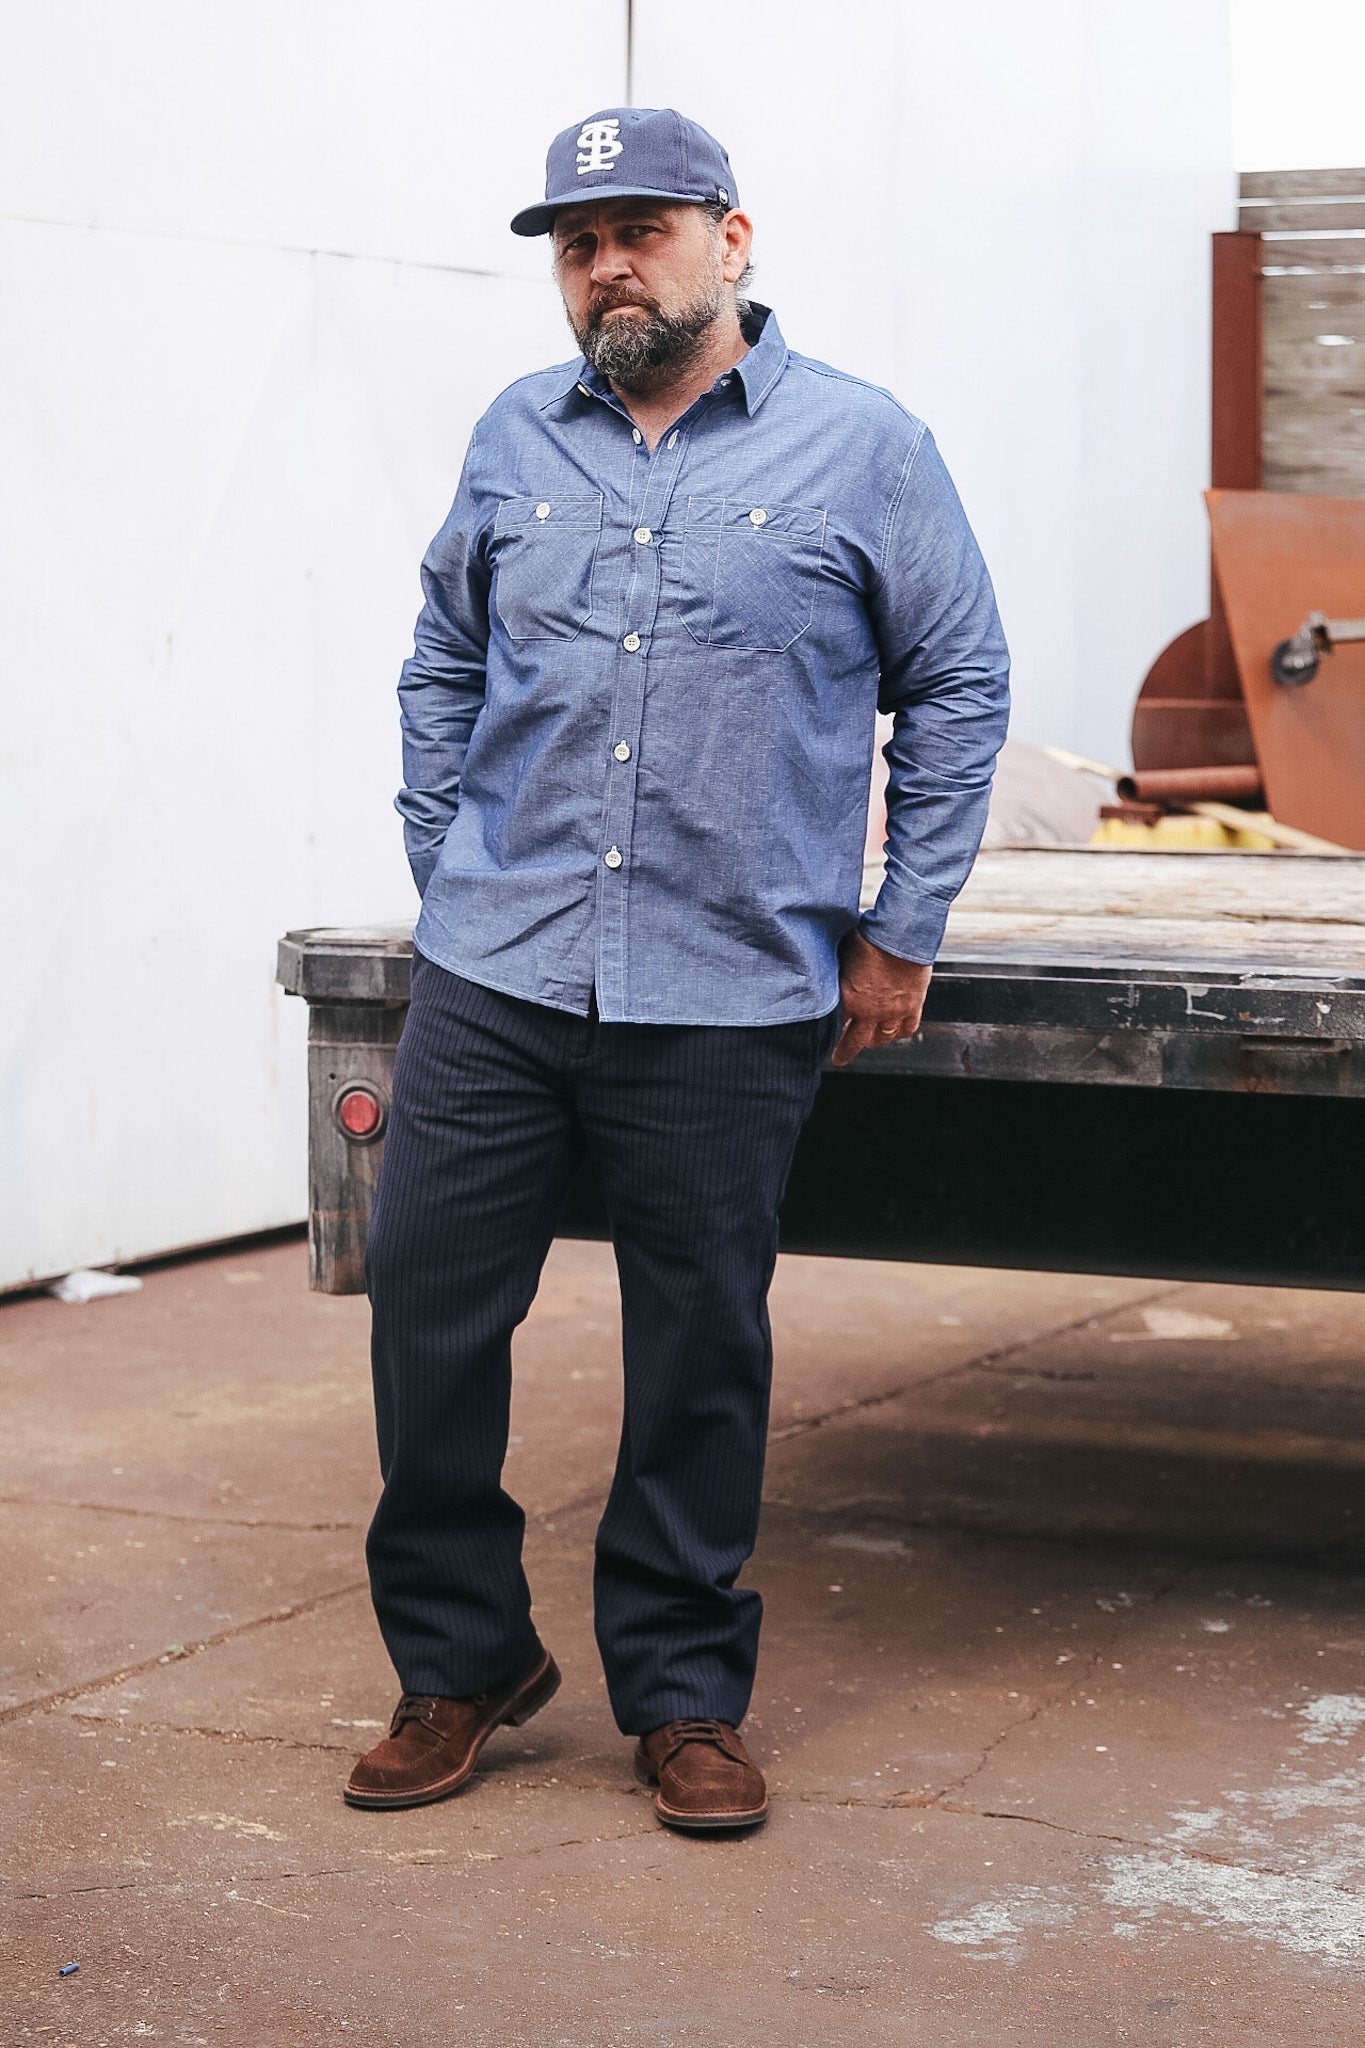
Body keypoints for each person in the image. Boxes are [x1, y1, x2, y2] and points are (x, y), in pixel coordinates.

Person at [345, 106, 1009, 1833]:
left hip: (730, 984)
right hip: (499, 970)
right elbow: (443, 656)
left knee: (698, 1348)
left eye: (639, 229)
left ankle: (684, 1690)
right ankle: (461, 1658)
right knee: (423, 1317)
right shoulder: (515, 435)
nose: (605, 264)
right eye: (576, 243)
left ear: (731, 237)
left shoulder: (867, 448)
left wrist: (900, 922)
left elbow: (956, 686)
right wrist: (448, 858)